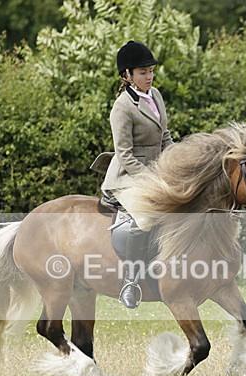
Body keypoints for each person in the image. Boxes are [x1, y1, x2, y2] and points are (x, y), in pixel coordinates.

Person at [91, 40, 173, 309]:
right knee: (145, 218)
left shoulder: (156, 95)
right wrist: (151, 179)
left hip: (157, 172)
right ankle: (131, 281)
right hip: (129, 176)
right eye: (143, 72)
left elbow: (166, 138)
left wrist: (179, 163)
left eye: (151, 72)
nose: (149, 77)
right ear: (127, 75)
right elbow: (124, 155)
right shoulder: (122, 108)